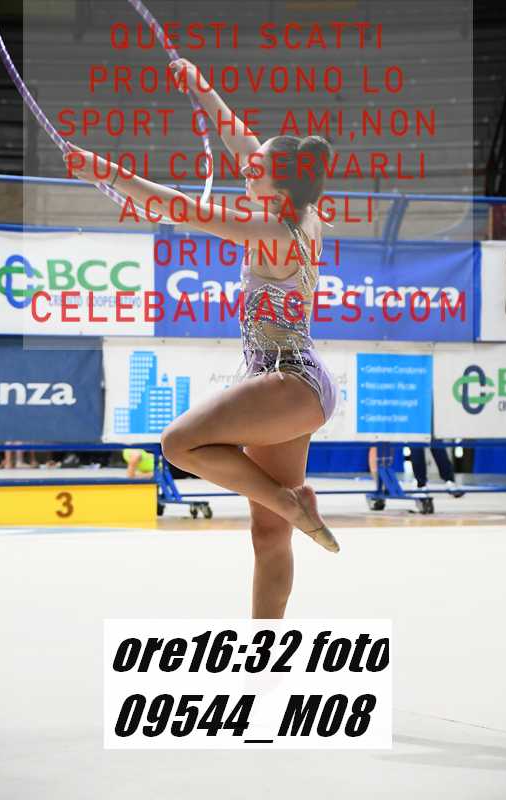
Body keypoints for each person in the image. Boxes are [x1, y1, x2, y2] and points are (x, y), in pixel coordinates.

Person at [64, 57, 339, 619]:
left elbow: (183, 209)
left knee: (177, 444)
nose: (246, 168)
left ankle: (291, 503)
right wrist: (200, 85)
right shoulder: (301, 209)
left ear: (278, 180)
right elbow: (240, 138)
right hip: (294, 383)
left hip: (290, 381)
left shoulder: (273, 230)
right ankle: (266, 646)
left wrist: (104, 171)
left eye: (257, 168)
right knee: (268, 534)